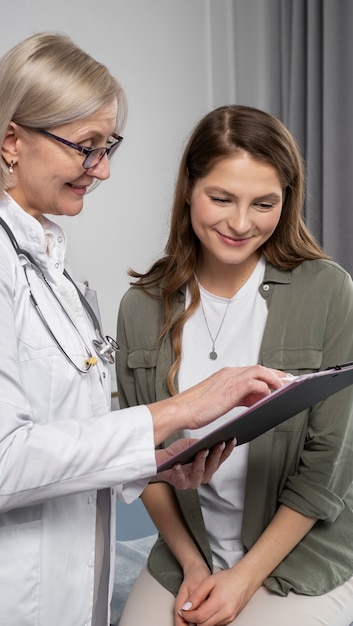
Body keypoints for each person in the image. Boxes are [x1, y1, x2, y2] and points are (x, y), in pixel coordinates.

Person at [0, 36, 288, 626]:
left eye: (108, 147)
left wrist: (154, 462)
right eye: (85, 148)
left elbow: (66, 435)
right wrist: (178, 411)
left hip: (69, 586)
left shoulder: (48, 264)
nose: (101, 169)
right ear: (11, 139)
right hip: (3, 597)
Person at [116, 105, 353, 626]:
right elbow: (143, 461)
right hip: (187, 553)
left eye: (263, 204)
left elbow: (327, 467)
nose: (241, 224)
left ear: (286, 202)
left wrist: (243, 581)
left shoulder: (327, 290)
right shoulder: (141, 306)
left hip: (299, 555)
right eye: (221, 198)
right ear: (188, 189)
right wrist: (194, 566)